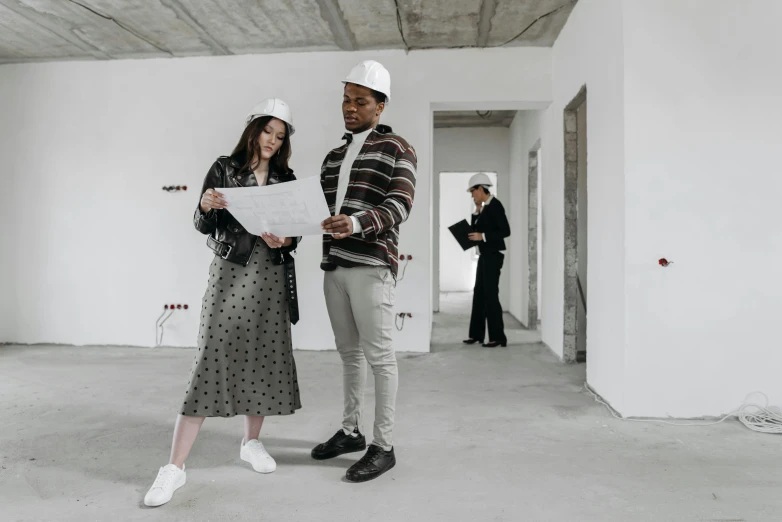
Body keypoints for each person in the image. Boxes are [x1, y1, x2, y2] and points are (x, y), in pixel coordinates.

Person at [143, 98, 302, 507]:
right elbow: (202, 224)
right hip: (230, 272)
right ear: (253, 130)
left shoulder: (287, 177)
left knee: (262, 357)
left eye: (280, 135)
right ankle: (174, 468)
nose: (272, 140)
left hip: (270, 274)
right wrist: (204, 205)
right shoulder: (224, 168)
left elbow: (294, 233)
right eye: (267, 131)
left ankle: (251, 443)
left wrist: (285, 238)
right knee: (210, 357)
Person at [313, 60, 416, 483]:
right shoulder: (334, 155)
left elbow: (401, 204)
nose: (349, 108)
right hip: (334, 266)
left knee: (380, 358)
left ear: (380, 106)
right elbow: (316, 211)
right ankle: (352, 431)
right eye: (345, 100)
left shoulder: (398, 149)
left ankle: (384, 445)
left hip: (372, 265)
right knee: (349, 354)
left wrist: (356, 223)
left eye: (360, 101)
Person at [463, 173, 511, 348]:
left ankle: (498, 337)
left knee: (491, 295)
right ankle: (476, 335)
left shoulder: (496, 206)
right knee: (479, 294)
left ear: (481, 188)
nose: (472, 195)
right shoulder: (484, 207)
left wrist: (483, 236)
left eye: (473, 191)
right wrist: (476, 211)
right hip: (485, 256)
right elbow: (475, 230)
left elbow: (506, 231)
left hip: (493, 256)